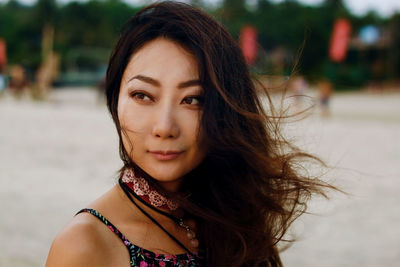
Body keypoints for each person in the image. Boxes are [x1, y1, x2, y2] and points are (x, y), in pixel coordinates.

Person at [46, 2, 332, 266]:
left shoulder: (230, 215)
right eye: (143, 95)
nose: (165, 128)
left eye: (193, 99)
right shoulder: (85, 245)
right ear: (114, 100)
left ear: (225, 109)